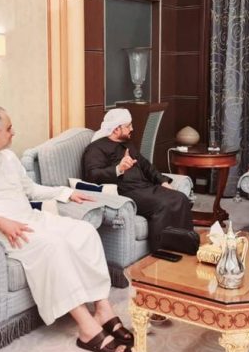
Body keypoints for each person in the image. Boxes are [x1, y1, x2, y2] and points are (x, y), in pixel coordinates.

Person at [0, 106, 133, 352]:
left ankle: (103, 309)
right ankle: (87, 328)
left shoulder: (9, 157)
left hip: (32, 219)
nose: (13, 133)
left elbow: (31, 190)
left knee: (85, 232)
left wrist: (66, 193)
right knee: (53, 246)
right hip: (4, 232)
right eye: (9, 128)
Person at [82, 108, 194, 251]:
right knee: (164, 204)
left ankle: (184, 244)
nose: (132, 129)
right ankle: (161, 251)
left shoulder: (128, 144)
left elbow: (146, 165)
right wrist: (118, 169)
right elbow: (92, 175)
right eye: (128, 126)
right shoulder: (96, 148)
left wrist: (163, 181)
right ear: (116, 129)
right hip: (125, 192)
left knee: (180, 197)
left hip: (145, 187)